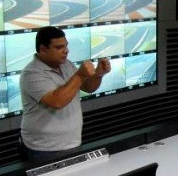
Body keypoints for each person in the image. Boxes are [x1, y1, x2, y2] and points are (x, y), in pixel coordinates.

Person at [20, 26, 111, 164]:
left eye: (66, 45)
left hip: (72, 142)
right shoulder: (32, 73)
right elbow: (57, 101)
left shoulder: (66, 65)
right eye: (59, 47)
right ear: (43, 49)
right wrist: (80, 75)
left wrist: (98, 74)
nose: (66, 50)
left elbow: (88, 87)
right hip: (45, 150)